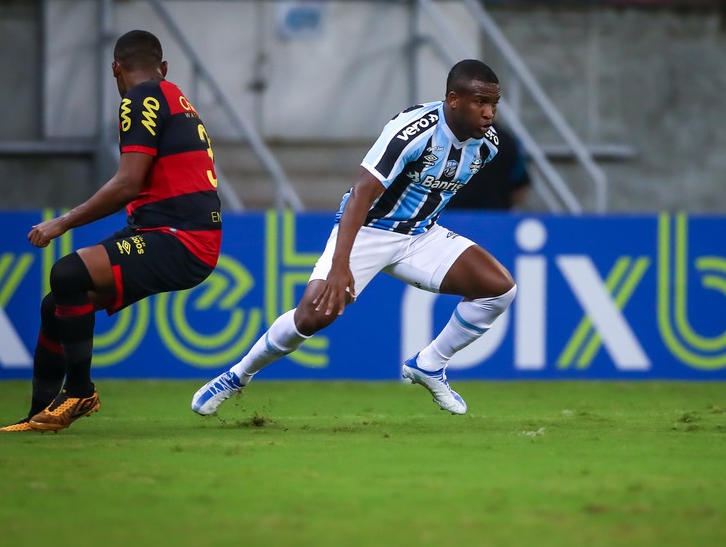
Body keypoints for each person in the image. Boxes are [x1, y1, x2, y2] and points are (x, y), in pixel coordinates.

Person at [192, 59, 516, 417]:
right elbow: (362, 193)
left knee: (499, 288)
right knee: (312, 316)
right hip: (369, 229)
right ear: (454, 100)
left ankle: (429, 363)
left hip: (421, 235)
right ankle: (237, 376)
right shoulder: (411, 131)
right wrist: (340, 265)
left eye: (494, 104)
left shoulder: (488, 145)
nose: (488, 113)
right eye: (480, 103)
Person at [0, 30, 223, 433]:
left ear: (115, 68)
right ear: (163, 67)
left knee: (67, 273)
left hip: (179, 237)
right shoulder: (174, 97)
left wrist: (61, 222)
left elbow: (128, 183)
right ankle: (40, 417)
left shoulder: (140, 99)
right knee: (56, 306)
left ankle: (80, 391)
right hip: (177, 233)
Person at [446, 121, 530, 209]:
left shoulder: (445, 137)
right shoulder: (509, 140)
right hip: (494, 215)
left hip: (451, 214)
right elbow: (521, 186)